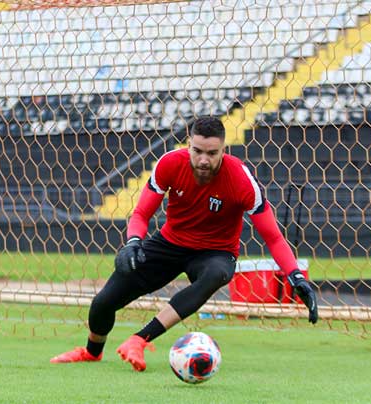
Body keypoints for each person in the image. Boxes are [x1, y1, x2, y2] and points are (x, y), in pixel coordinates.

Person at [50, 116, 318, 371]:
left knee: (216, 275)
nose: (203, 160)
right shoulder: (169, 163)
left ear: (223, 150)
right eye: (197, 151)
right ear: (188, 145)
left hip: (216, 252)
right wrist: (132, 243)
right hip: (170, 243)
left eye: (212, 154)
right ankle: (91, 353)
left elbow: (273, 237)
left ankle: (140, 339)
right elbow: (141, 214)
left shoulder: (242, 181)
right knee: (103, 303)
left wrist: (296, 277)